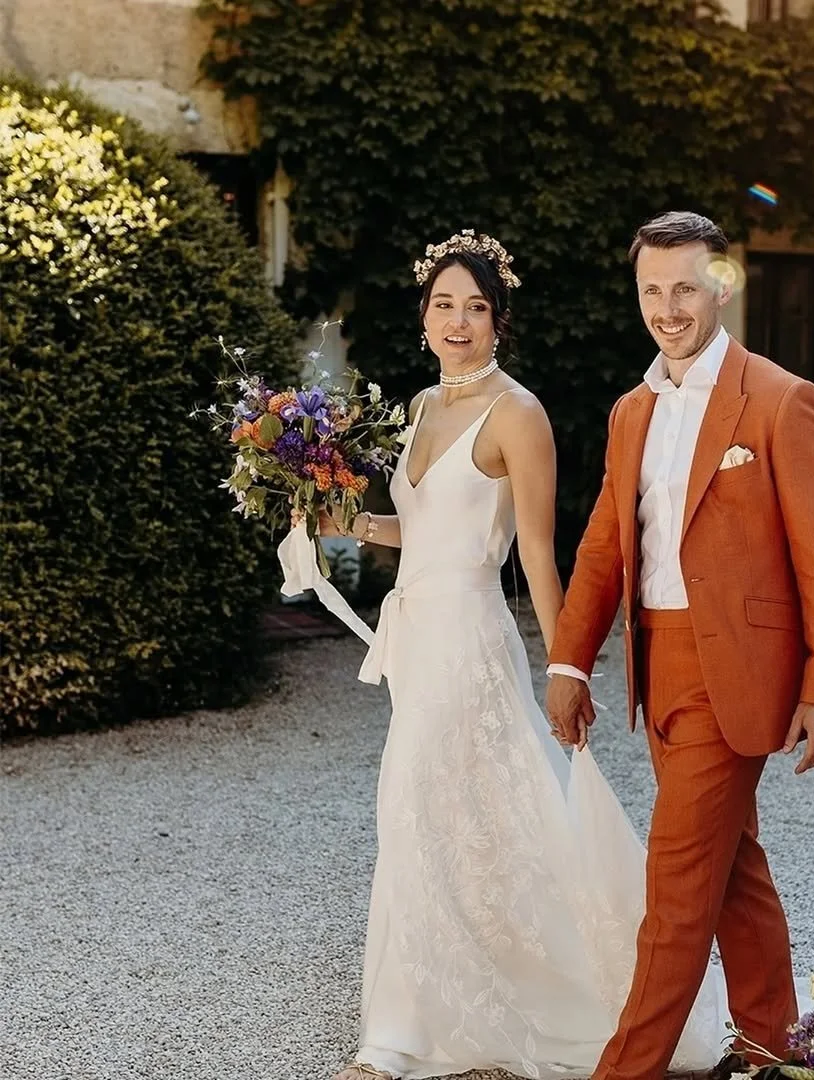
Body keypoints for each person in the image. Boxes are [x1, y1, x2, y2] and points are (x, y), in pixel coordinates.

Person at [319, 231, 727, 1080]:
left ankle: (399, 1035)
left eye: (475, 307)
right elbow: (421, 530)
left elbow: (540, 555)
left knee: (434, 808)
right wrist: (346, 522)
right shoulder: (421, 409)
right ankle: (434, 1002)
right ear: (424, 318)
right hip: (416, 641)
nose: (458, 321)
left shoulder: (519, 414)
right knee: (438, 818)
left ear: (498, 321)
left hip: (470, 640)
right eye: (443, 305)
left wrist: (565, 666)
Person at [547, 211, 814, 1080]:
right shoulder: (629, 411)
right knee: (733, 871)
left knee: (678, 889)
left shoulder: (781, 399)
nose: (668, 307)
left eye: (685, 287)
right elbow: (606, 544)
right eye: (652, 289)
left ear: (719, 285)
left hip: (740, 676)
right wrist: (570, 661)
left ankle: (627, 1070)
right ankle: (778, 1050)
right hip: (660, 672)